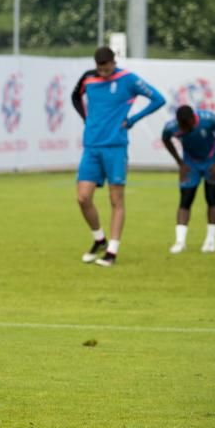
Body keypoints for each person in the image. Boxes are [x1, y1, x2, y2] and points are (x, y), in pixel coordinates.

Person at [70, 46, 165, 267]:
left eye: (107, 68)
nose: (103, 73)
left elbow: (158, 99)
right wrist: (86, 118)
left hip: (115, 147)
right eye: (100, 69)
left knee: (116, 199)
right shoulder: (88, 78)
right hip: (91, 146)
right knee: (83, 198)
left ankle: (112, 252)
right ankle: (99, 239)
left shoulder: (128, 79)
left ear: (114, 62)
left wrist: (132, 120)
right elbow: (75, 97)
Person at [161, 105, 215, 253]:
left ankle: (210, 241)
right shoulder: (171, 127)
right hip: (190, 164)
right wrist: (180, 162)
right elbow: (165, 139)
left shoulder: (208, 119)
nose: (183, 130)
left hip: (211, 162)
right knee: (185, 200)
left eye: (186, 126)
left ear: (193, 119)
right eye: (181, 126)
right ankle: (180, 242)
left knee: (211, 198)